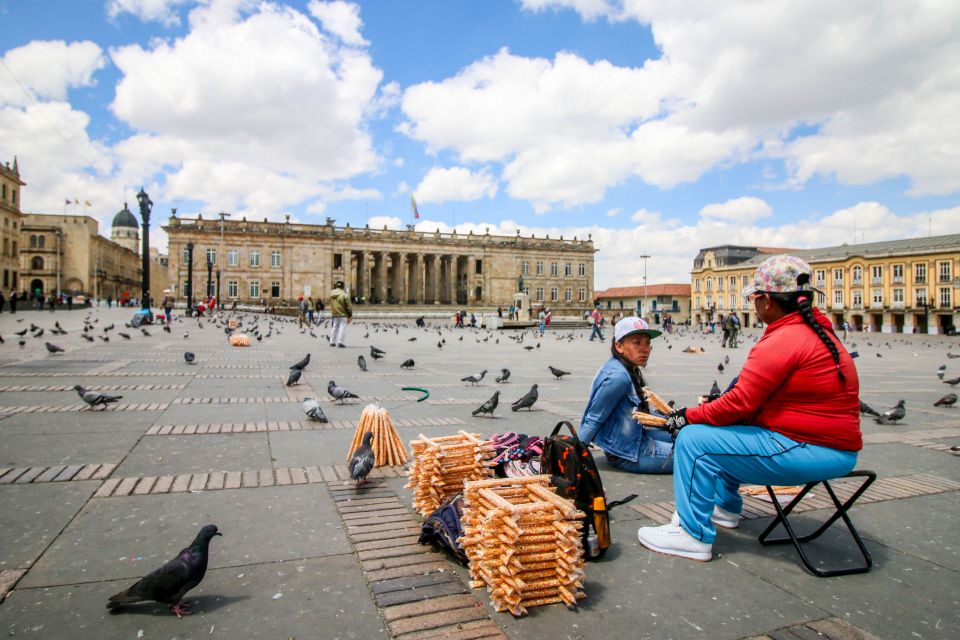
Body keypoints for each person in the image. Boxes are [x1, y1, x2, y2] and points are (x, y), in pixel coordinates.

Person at [636, 255, 861, 562]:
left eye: (755, 298)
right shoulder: (818, 333)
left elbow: (739, 402)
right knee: (728, 429)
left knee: (694, 441)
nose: (754, 304)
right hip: (831, 449)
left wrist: (686, 416)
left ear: (767, 300)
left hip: (808, 450)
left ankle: (692, 535)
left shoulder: (785, 339)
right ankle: (726, 508)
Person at [579, 317, 673, 474]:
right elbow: (593, 418)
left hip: (635, 436)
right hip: (627, 453)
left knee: (687, 438)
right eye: (637, 343)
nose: (644, 349)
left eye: (647, 343)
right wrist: (575, 453)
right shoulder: (618, 377)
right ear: (619, 346)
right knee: (696, 455)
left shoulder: (628, 368)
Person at [328, 280, 352, 348]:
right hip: (343, 314)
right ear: (343, 286)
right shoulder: (344, 294)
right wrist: (350, 315)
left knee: (334, 327)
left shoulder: (331, 294)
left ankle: (332, 342)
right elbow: (349, 306)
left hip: (335, 313)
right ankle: (340, 342)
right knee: (342, 328)